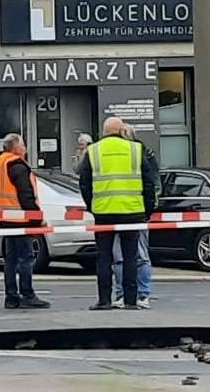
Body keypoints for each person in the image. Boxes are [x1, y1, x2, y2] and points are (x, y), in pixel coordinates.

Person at [78, 116, 160, 310]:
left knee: (104, 257)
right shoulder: (135, 149)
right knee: (130, 257)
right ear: (123, 131)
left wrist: (92, 205)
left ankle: (104, 299)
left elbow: (84, 183)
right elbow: (149, 183)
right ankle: (131, 300)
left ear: (104, 131)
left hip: (103, 211)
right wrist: (147, 210)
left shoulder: (93, 151)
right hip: (132, 211)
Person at [0, 133, 50, 310]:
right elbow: (26, 195)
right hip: (20, 219)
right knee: (26, 258)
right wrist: (37, 218)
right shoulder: (17, 165)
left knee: (11, 260)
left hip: (5, 218)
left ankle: (11, 297)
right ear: (15, 147)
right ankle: (27, 294)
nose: (25, 148)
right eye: (23, 145)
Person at [112, 121, 156, 309]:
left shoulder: (141, 153)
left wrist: (148, 210)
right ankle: (126, 294)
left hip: (130, 212)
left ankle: (140, 294)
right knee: (125, 257)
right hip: (127, 211)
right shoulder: (138, 153)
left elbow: (151, 182)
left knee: (136, 255)